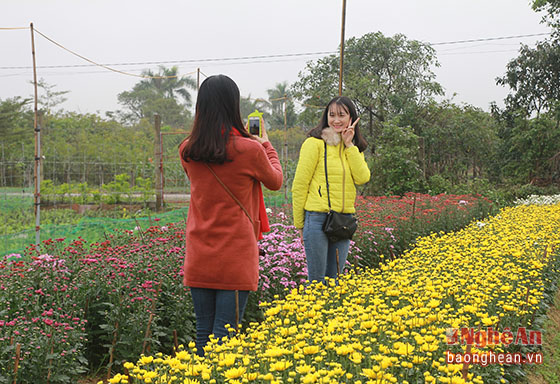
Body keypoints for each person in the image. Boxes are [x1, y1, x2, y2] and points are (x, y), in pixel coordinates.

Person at [179, 74, 283, 356]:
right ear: (233, 105)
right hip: (235, 254)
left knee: (203, 331)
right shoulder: (250, 150)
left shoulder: (188, 150)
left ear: (201, 107)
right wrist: (266, 145)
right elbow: (275, 181)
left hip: (200, 252)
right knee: (226, 335)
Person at [292, 96, 370, 284]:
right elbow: (300, 185)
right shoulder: (314, 143)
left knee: (335, 282)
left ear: (351, 118)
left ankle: (332, 314)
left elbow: (362, 177)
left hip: (343, 220)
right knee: (318, 281)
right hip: (317, 218)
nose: (336, 120)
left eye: (342, 115)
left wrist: (350, 144)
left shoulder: (352, 147)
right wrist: (300, 224)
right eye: (332, 114)